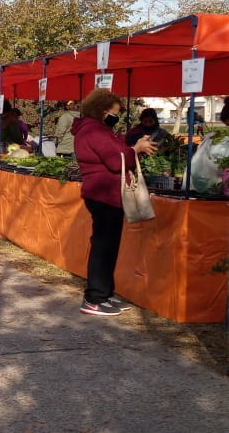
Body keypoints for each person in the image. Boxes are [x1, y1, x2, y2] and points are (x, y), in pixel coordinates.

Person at [72, 89, 158, 316]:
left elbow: (117, 148)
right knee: (103, 247)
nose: (116, 116)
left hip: (107, 194)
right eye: (115, 112)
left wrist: (133, 145)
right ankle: (94, 298)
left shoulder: (98, 129)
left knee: (108, 247)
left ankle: (104, 294)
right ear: (103, 111)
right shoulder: (93, 130)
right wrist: (135, 149)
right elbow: (115, 160)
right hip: (104, 194)